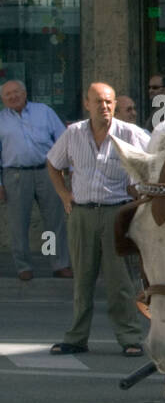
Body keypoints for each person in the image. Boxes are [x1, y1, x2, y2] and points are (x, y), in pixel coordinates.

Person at [45, 82, 151, 355]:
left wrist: (139, 195)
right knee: (82, 279)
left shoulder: (130, 133)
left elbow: (152, 165)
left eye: (109, 102)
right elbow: (53, 164)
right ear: (87, 103)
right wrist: (64, 195)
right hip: (81, 213)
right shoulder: (73, 134)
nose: (104, 106)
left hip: (117, 212)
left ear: (114, 105)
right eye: (98, 101)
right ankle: (76, 338)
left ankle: (130, 338)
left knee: (120, 282)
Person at [0, 79, 72, 280]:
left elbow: (63, 139)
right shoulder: (1, 120)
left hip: (47, 172)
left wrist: (71, 168)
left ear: (24, 93)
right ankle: (23, 267)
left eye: (16, 92)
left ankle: (58, 263)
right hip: (15, 175)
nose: (13, 97)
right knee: (18, 223)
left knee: (54, 221)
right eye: (8, 95)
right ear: (3, 99)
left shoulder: (44, 111)